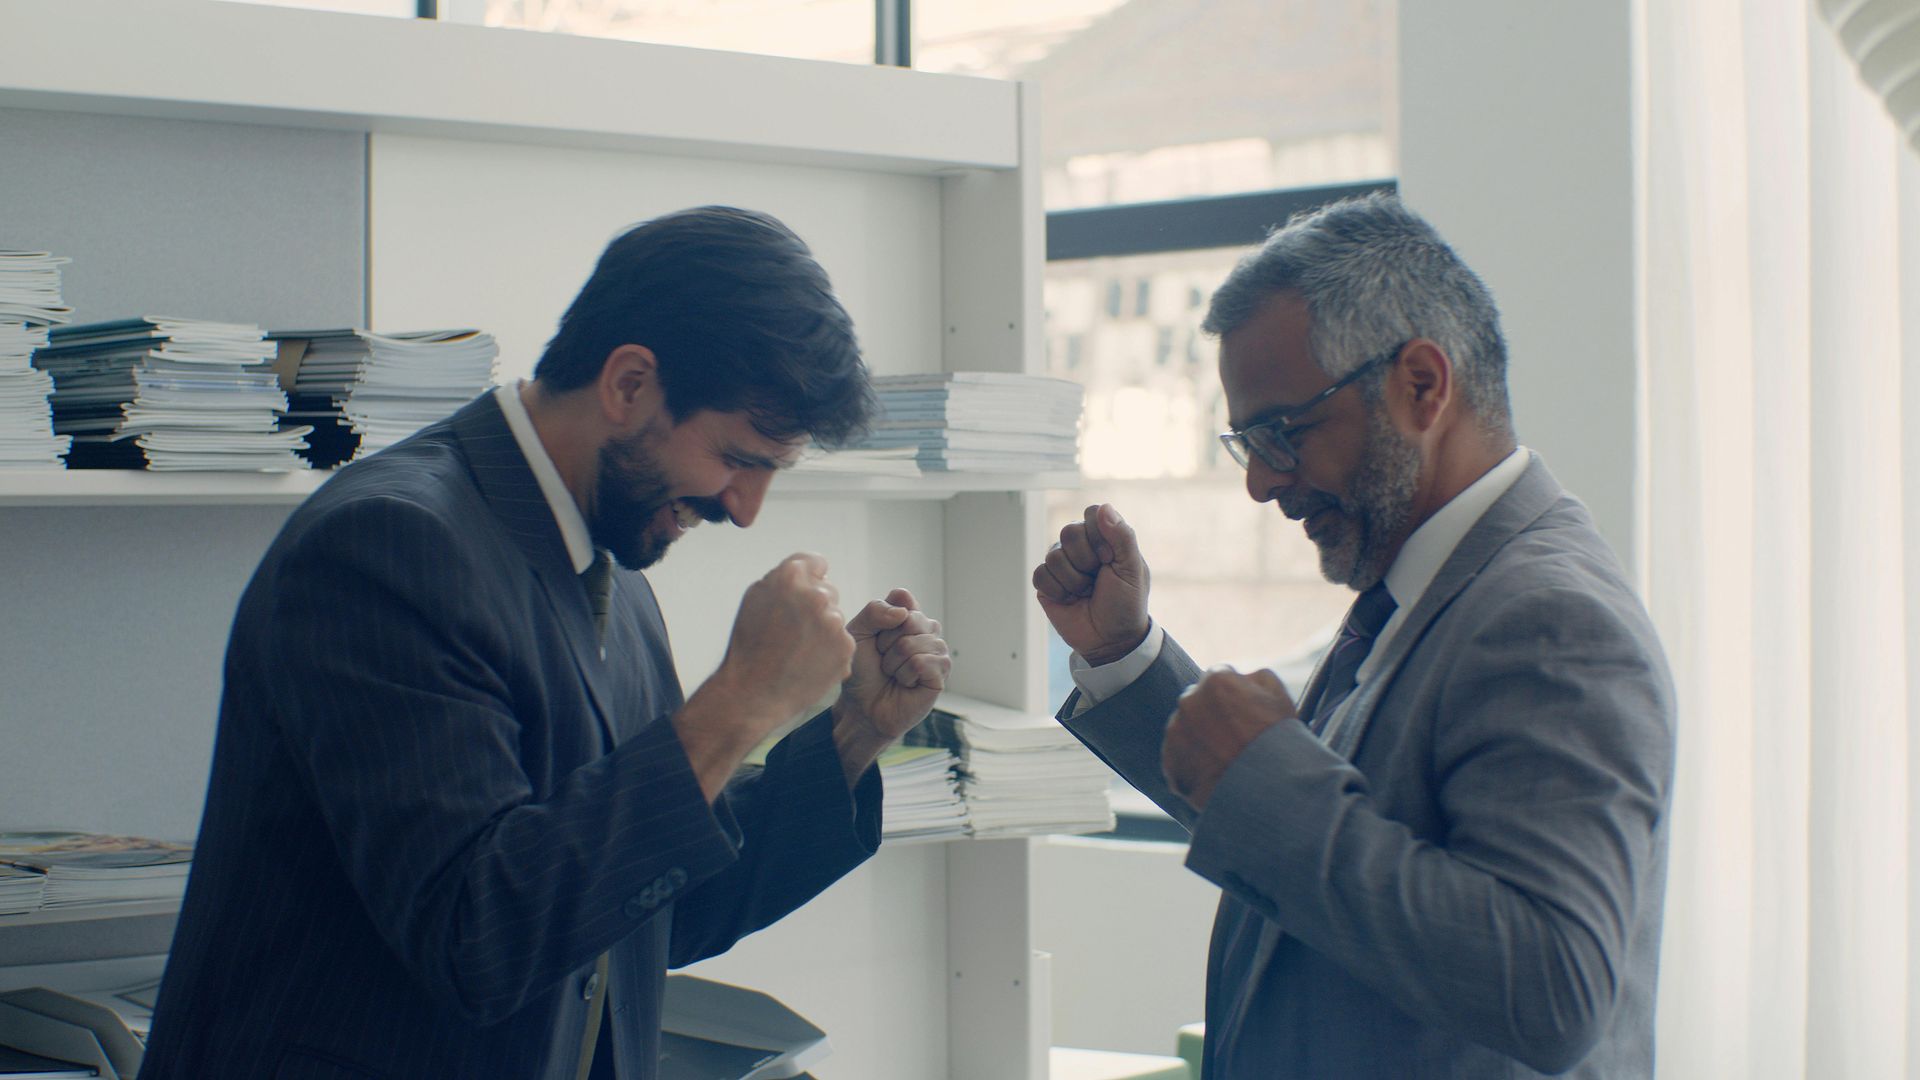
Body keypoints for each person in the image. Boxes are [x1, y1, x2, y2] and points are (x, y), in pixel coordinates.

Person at [139, 206, 951, 1079]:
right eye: (737, 457)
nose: (746, 508)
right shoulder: (386, 546)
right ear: (629, 384)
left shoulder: (612, 567)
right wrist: (742, 698)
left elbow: (642, 908)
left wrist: (848, 736)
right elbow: (476, 936)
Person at [1033, 193, 1675, 1078]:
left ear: (1421, 384)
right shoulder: (1424, 586)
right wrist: (1129, 658)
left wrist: (1262, 771)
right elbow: (1303, 828)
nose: (1260, 482)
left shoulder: (1549, 621)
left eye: (1282, 432)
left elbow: (1553, 986)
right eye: (1246, 442)